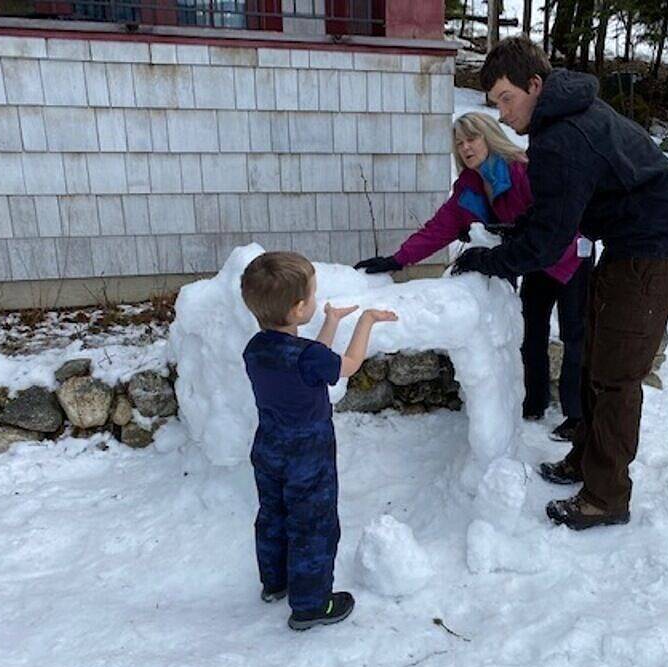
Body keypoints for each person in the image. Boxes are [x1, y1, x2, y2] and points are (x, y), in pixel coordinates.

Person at [452, 37, 668, 531]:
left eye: (507, 98)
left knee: (616, 376)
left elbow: (547, 244)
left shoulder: (561, 136)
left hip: (654, 247)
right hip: (628, 242)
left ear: (535, 85)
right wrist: (513, 235)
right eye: (494, 102)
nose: (501, 114)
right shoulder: (562, 120)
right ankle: (584, 460)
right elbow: (555, 213)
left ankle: (606, 496)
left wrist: (492, 260)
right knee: (593, 360)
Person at [353, 111, 589, 441]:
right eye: (460, 143)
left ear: (489, 135)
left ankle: (576, 415)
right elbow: (438, 230)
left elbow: (562, 216)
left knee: (575, 335)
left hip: (569, 257)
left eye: (472, 138)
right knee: (531, 333)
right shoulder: (470, 187)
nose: (466, 147)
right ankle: (535, 401)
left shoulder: (522, 170)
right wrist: (396, 260)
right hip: (532, 262)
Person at [240, 251, 397, 630]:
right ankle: (311, 605)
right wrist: (365, 321)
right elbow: (345, 365)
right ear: (296, 310)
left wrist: (329, 321)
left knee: (274, 514)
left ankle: (275, 581)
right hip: (307, 454)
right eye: (311, 296)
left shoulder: (256, 348)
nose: (315, 299)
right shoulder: (308, 356)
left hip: (268, 447)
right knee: (313, 524)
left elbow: (310, 361)